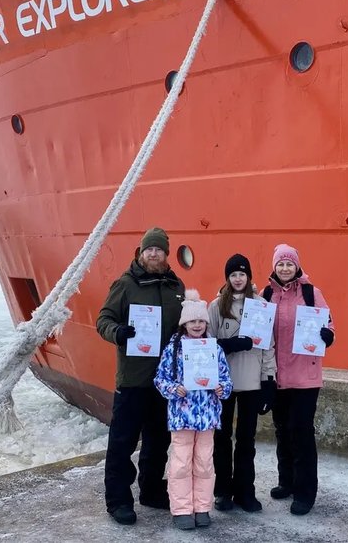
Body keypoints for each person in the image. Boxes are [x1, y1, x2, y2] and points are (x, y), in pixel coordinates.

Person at [96, 227, 186, 526]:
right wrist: (118, 332)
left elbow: (183, 327)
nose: (153, 253)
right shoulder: (125, 284)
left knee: (158, 441)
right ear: (141, 252)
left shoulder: (176, 286)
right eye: (148, 249)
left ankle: (150, 490)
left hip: (164, 381)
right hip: (133, 379)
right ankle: (119, 500)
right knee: (123, 442)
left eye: (158, 249)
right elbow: (104, 320)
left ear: (165, 254)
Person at [263, 243, 335, 516]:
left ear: (297, 266)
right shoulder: (266, 293)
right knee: (282, 430)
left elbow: (328, 324)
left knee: (301, 433)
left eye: (289, 263)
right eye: (280, 263)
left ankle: (305, 493)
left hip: (305, 377)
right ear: (274, 266)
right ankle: (287, 482)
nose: (284, 268)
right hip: (278, 376)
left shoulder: (311, 293)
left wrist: (328, 335)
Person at [154, 290, 233, 530]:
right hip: (182, 417)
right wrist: (173, 389)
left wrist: (222, 389)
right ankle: (181, 509)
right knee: (180, 463)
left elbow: (226, 379)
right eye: (192, 321)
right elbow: (160, 379)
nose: (197, 325)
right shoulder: (173, 350)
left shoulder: (214, 349)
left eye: (201, 321)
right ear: (184, 324)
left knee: (204, 464)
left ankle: (202, 507)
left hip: (208, 417)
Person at [207, 253, 276, 513]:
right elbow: (207, 342)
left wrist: (269, 381)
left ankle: (245, 491)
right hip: (222, 384)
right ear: (227, 278)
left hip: (251, 382)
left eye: (242, 274)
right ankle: (223, 491)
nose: (238, 278)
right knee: (221, 438)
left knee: (247, 440)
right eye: (233, 274)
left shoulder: (260, 305)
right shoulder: (215, 307)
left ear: (249, 277)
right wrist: (230, 345)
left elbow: (268, 346)